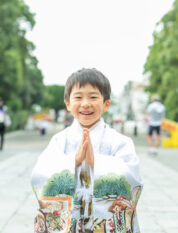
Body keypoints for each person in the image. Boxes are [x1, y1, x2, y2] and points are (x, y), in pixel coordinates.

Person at [31, 68, 142, 232]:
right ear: (68, 104)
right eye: (78, 97)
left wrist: (94, 163)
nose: (85, 103)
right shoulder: (60, 140)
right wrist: (74, 161)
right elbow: (40, 173)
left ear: (106, 104)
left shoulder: (120, 141)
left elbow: (131, 176)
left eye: (93, 97)